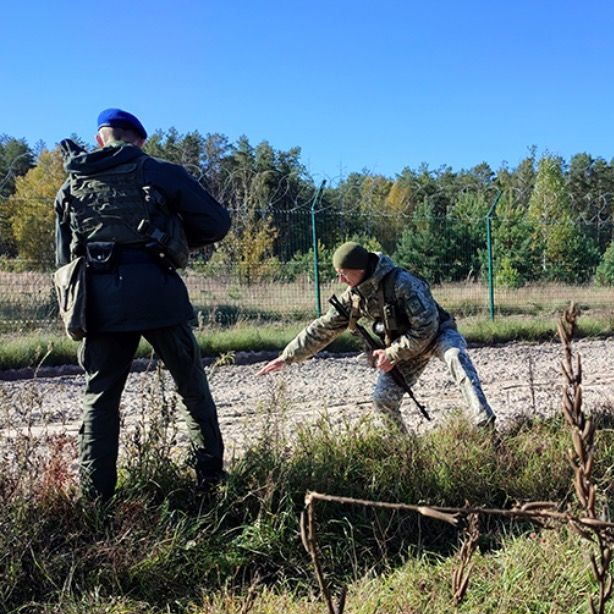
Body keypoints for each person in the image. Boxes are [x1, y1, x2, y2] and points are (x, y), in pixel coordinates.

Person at [55, 108, 231, 506]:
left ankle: (95, 501)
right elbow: (218, 223)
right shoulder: (158, 171)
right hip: (158, 292)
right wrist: (174, 238)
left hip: (98, 303)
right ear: (137, 140)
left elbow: (63, 258)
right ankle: (210, 482)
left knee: (99, 398)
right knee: (191, 388)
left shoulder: (71, 185)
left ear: (101, 138)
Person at [257, 242, 495, 432]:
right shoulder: (354, 296)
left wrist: (391, 354)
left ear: (358, 270)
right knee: (383, 400)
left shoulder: (403, 283)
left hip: (436, 335)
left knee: (455, 356)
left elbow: (426, 329)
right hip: (403, 349)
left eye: (342, 274)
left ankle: (484, 422)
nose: (340, 280)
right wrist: (287, 356)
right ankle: (406, 451)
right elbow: (323, 328)